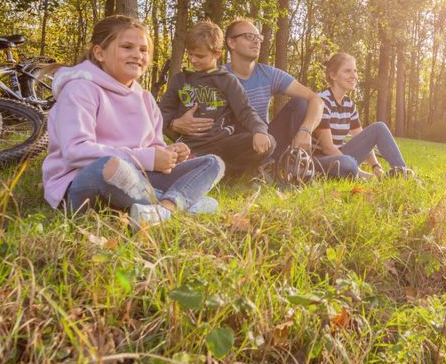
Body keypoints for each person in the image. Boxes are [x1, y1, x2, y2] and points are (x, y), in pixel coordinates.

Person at [42, 15, 224, 228]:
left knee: (212, 163)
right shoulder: (80, 90)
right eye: (127, 47)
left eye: (143, 50)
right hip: (85, 182)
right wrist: (147, 158)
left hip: (138, 180)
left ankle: (163, 209)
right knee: (110, 166)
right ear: (99, 53)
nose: (137, 55)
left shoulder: (146, 99)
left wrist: (171, 153)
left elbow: (153, 148)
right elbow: (75, 152)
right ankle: (182, 202)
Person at [167, 17, 324, 162]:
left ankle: (293, 163)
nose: (256, 42)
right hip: (230, 143)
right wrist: (174, 124)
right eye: (249, 36)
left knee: (301, 103)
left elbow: (316, 99)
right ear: (231, 43)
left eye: (258, 38)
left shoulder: (269, 74)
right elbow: (181, 115)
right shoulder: (214, 78)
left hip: (263, 138)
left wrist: (306, 130)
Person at [158, 21, 275, 176]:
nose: (193, 60)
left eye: (200, 56)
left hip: (223, 145)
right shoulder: (180, 80)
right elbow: (160, 114)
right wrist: (173, 124)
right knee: (167, 161)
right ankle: (207, 169)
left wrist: (259, 131)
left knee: (269, 142)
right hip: (189, 147)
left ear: (217, 54)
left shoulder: (227, 80)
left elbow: (245, 111)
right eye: (190, 54)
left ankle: (224, 172)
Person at [312, 52, 415, 179]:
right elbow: (327, 148)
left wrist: (375, 166)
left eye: (355, 71)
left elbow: (363, 139)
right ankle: (352, 171)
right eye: (347, 71)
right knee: (348, 163)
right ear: (333, 75)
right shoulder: (322, 101)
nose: (353, 76)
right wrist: (360, 173)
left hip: (342, 158)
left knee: (379, 128)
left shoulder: (349, 105)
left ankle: (402, 172)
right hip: (321, 161)